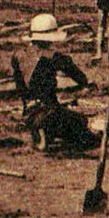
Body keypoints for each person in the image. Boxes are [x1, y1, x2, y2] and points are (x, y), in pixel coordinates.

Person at [12, 13, 99, 151]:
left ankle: (40, 132)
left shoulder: (18, 56)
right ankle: (48, 132)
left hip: (28, 111)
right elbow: (79, 77)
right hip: (50, 111)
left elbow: (19, 85)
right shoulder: (55, 58)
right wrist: (85, 84)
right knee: (81, 123)